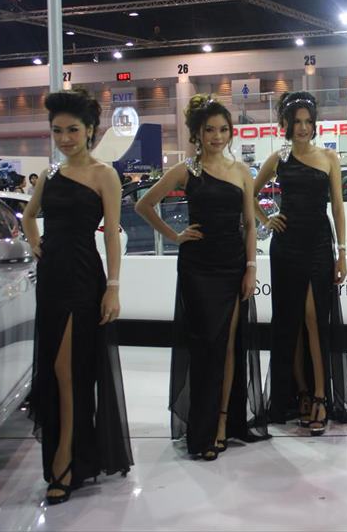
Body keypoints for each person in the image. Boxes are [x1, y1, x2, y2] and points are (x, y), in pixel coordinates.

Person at [136, 95, 269, 459]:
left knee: (227, 346)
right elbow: (144, 204)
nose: (217, 136)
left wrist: (251, 267)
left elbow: (249, 225)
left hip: (232, 266)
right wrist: (174, 236)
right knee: (205, 346)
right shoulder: (186, 171)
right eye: (210, 130)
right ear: (197, 133)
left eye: (223, 129)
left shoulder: (241, 171)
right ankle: (203, 427)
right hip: (197, 267)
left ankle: (222, 423)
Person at [21, 90, 132, 504]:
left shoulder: (105, 175)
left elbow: (113, 236)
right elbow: (29, 216)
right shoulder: (50, 174)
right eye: (57, 131)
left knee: (68, 370)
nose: (64, 138)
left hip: (84, 278)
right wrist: (35, 242)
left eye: (72, 130)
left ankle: (66, 458)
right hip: (51, 279)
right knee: (56, 370)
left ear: (89, 131)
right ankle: (72, 456)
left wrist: (113, 288)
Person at [253, 91, 347, 435]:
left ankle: (320, 396)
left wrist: (342, 252)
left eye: (308, 122)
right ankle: (300, 393)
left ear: (314, 124)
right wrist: (266, 220)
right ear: (286, 124)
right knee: (292, 321)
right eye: (297, 121)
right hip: (286, 246)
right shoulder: (279, 157)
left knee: (315, 319)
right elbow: (249, 193)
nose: (303, 127)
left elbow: (338, 207)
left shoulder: (329, 157)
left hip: (318, 244)